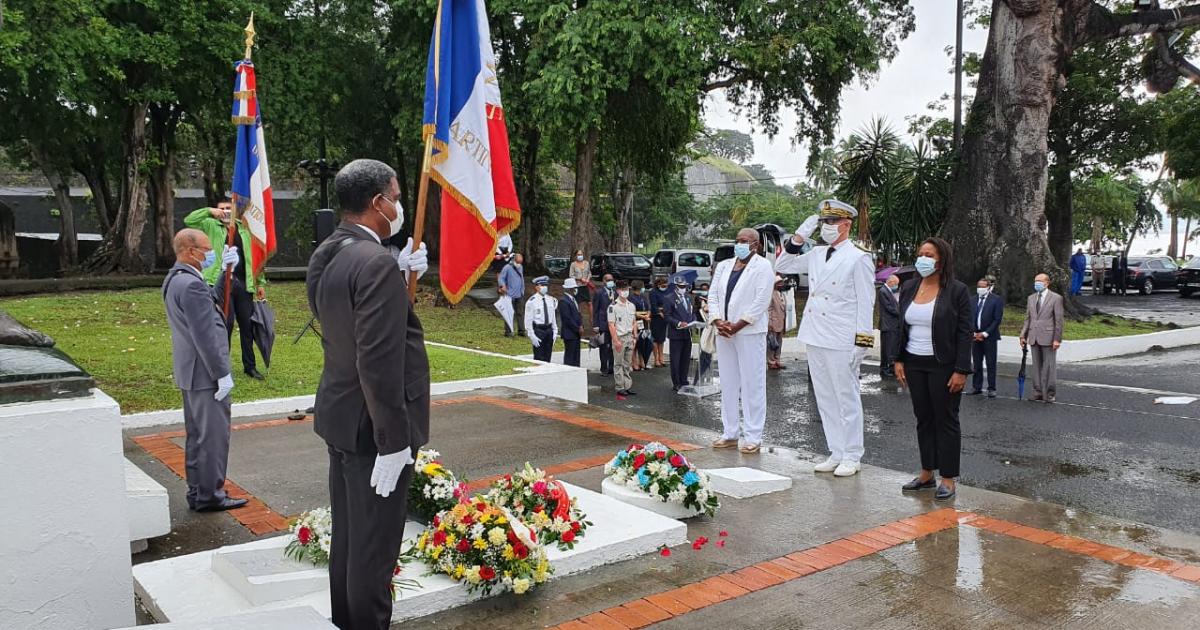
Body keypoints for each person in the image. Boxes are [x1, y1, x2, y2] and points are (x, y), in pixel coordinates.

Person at [306, 159, 429, 630]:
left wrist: (394, 267)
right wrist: (393, 441)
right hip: (372, 427)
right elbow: (377, 361)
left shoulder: (330, 251)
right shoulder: (374, 263)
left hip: (340, 414)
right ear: (378, 203)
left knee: (350, 541)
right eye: (396, 198)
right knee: (375, 552)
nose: (399, 206)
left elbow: (341, 326)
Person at [775, 199, 876, 477]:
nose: (827, 227)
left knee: (846, 397)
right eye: (824, 222)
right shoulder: (818, 254)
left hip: (842, 336)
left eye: (832, 222)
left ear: (847, 224)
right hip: (816, 333)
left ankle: (853, 455)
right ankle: (836, 451)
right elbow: (783, 263)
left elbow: (866, 302)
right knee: (825, 396)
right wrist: (799, 236)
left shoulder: (859, 256)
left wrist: (862, 341)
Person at [162, 228, 247, 513]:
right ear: (189, 251)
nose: (210, 253)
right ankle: (211, 495)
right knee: (212, 437)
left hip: (191, 373)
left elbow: (208, 304)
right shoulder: (190, 284)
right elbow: (206, 333)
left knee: (197, 436)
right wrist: (221, 372)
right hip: (205, 374)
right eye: (207, 250)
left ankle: (198, 491)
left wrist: (225, 271)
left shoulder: (177, 279)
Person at [891, 237, 973, 501]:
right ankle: (927, 473)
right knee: (923, 418)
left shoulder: (956, 290)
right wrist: (898, 359)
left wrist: (961, 369)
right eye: (921, 253)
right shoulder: (910, 287)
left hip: (944, 364)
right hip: (914, 362)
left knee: (945, 419)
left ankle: (948, 478)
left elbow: (964, 332)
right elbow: (901, 326)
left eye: (929, 254)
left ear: (942, 259)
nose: (923, 258)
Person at [708, 228, 776, 454]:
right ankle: (730, 432)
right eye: (737, 240)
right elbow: (713, 295)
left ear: (755, 245)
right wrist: (718, 321)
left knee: (752, 384)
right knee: (727, 382)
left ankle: (753, 436)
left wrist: (738, 324)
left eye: (744, 241)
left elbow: (761, 300)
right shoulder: (724, 265)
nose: (740, 244)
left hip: (748, 332)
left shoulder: (763, 266)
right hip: (724, 331)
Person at [184, 197, 266, 380]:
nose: (226, 212)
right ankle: (222, 368)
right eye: (222, 209)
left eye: (229, 208)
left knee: (247, 326)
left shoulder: (244, 228)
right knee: (224, 325)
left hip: (244, 283)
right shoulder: (211, 225)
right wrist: (209, 211)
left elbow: (254, 257)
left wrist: (260, 282)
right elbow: (189, 221)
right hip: (221, 283)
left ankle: (250, 366)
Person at [1020, 273, 1064, 403]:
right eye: (1035, 281)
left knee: (1049, 366)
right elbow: (1028, 319)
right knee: (1036, 366)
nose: (1036, 283)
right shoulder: (1031, 298)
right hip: (1034, 336)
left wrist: (1057, 339)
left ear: (1047, 283)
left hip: (1049, 337)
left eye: (1039, 281)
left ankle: (1049, 393)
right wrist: (1023, 335)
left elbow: (1059, 320)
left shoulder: (1056, 298)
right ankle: (1037, 391)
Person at [968, 277, 1003, 397]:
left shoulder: (996, 300)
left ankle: (991, 388)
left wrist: (985, 333)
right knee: (977, 363)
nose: (980, 289)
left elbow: (997, 319)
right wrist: (974, 333)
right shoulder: (972, 300)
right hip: (975, 336)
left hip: (990, 336)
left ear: (988, 288)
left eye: (983, 287)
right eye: (979, 286)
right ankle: (976, 386)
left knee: (990, 363)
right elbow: (968, 318)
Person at [663, 273, 696, 391]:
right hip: (676, 332)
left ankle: (684, 379)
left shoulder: (688, 297)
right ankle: (676, 382)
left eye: (685, 286)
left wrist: (694, 321)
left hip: (688, 332)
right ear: (676, 286)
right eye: (681, 287)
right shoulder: (669, 298)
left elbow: (692, 313)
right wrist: (678, 323)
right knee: (676, 359)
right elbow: (667, 316)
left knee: (686, 358)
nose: (683, 289)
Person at [607, 279, 638, 400]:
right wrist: (616, 340)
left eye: (627, 289)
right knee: (618, 364)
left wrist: (635, 337)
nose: (626, 292)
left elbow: (634, 322)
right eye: (623, 290)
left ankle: (627, 386)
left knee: (627, 364)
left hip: (629, 337)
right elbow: (611, 325)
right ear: (618, 291)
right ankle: (620, 387)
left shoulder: (631, 305)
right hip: (620, 337)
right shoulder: (613, 307)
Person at [525, 276, 558, 363]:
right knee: (539, 358)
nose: (544, 287)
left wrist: (555, 331)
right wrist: (532, 336)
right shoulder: (531, 301)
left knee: (548, 357)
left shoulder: (551, 299)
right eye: (542, 285)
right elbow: (528, 320)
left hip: (549, 330)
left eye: (546, 285)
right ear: (536, 287)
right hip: (539, 330)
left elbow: (553, 316)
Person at [878, 274, 901, 377]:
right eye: (896, 284)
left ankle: (890, 366)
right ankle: (884, 368)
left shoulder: (889, 291)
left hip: (893, 325)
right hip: (887, 324)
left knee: (892, 347)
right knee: (886, 348)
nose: (896, 286)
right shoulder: (883, 291)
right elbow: (888, 308)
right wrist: (900, 312)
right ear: (891, 282)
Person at [592, 273, 616, 375]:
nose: (610, 281)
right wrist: (596, 325)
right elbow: (596, 310)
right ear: (604, 281)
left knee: (612, 347)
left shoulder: (615, 293)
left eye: (612, 279)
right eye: (608, 280)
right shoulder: (599, 293)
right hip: (603, 324)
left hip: (614, 325)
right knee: (604, 347)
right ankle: (604, 368)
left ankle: (611, 367)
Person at [498, 253, 526, 336]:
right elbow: (501, 278)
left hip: (519, 294)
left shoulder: (520, 267)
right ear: (514, 260)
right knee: (509, 313)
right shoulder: (507, 268)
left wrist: (522, 290)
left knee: (520, 313)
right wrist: (502, 286)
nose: (519, 264)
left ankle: (521, 331)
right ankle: (508, 331)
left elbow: (521, 278)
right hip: (509, 294)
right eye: (517, 262)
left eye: (520, 263)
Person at [558, 278, 584, 367]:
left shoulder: (573, 299)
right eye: (573, 288)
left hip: (576, 333)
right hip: (569, 333)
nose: (575, 289)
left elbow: (578, 314)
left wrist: (580, 325)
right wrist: (577, 328)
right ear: (569, 289)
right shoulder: (563, 301)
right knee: (570, 355)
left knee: (576, 356)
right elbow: (567, 319)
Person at [629, 281, 652, 370]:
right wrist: (643, 316)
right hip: (636, 322)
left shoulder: (644, 296)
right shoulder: (631, 298)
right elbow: (632, 312)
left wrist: (648, 315)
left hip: (645, 322)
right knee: (636, 342)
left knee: (643, 342)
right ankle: (634, 362)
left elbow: (648, 307)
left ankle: (642, 361)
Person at [649, 275, 671, 368]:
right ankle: (656, 359)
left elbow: (669, 302)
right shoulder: (653, 292)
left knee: (661, 339)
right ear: (658, 284)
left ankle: (661, 358)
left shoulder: (668, 291)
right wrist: (659, 311)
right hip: (656, 317)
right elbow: (653, 305)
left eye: (666, 285)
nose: (664, 287)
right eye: (663, 285)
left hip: (664, 317)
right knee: (655, 338)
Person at [766, 275, 787, 370]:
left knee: (779, 343)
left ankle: (777, 360)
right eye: (779, 283)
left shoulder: (782, 294)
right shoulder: (771, 294)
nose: (781, 284)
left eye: (782, 283)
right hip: (773, 323)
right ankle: (771, 362)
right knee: (772, 343)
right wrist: (769, 324)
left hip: (781, 322)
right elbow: (768, 310)